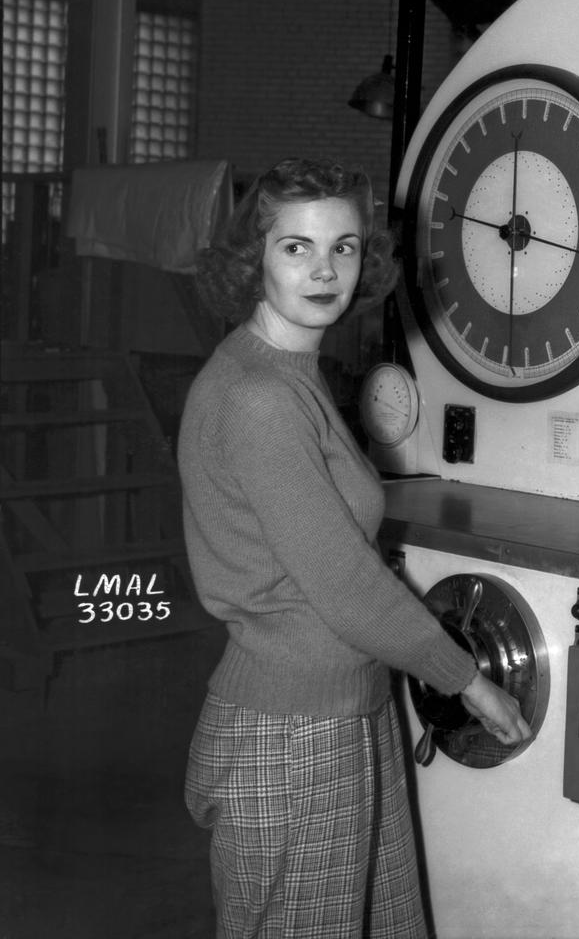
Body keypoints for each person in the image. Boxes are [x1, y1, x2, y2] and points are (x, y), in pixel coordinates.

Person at [178, 157, 530, 939]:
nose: (324, 268)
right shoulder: (260, 398)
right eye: (295, 247)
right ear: (252, 257)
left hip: (335, 703)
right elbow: (340, 585)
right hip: (295, 730)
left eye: (343, 246)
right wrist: (466, 681)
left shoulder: (286, 372)